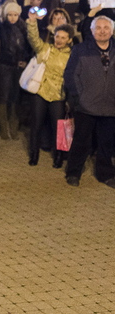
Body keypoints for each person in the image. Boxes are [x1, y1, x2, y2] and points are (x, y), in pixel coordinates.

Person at [63, 15, 115, 187]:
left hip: (110, 106)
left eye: (106, 28)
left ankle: (105, 174)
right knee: (81, 141)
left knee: (106, 143)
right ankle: (73, 172)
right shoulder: (80, 50)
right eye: (98, 28)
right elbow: (70, 75)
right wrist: (80, 97)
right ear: (92, 31)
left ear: (112, 31)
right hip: (86, 106)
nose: (102, 31)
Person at [25, 17, 72, 168]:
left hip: (58, 95)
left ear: (69, 40)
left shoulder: (71, 56)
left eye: (63, 37)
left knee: (58, 127)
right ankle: (34, 154)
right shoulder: (45, 49)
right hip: (40, 92)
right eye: (57, 36)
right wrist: (32, 23)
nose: (59, 40)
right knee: (36, 124)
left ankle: (58, 156)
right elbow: (33, 39)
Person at [0, 0, 31, 139]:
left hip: (18, 67)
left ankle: (14, 124)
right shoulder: (2, 28)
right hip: (5, 65)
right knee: (3, 96)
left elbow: (28, 46)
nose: (12, 17)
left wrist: (25, 60)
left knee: (15, 97)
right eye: (9, 15)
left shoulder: (24, 28)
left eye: (15, 14)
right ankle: (3, 126)